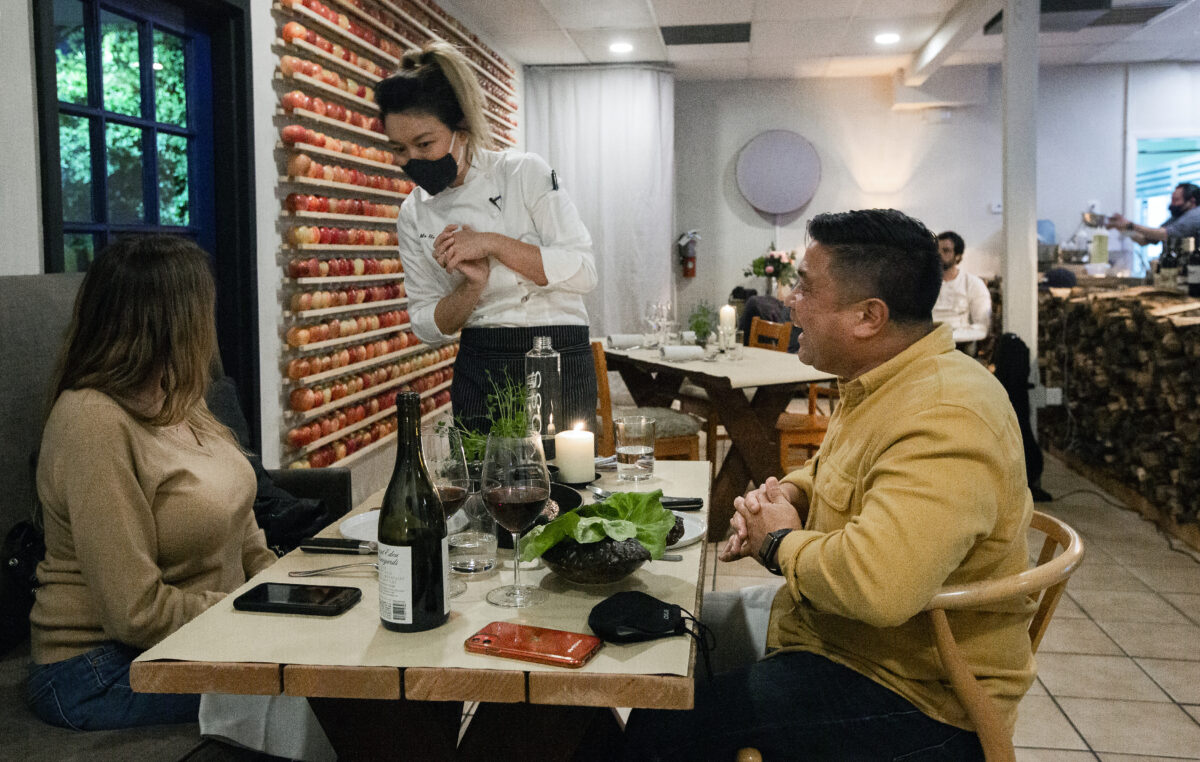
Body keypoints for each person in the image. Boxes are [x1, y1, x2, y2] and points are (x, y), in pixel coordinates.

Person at [623, 209, 1035, 760]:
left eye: (805, 287)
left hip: (917, 696)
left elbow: (877, 584)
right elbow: (829, 470)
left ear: (868, 316)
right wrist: (789, 494)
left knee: (663, 720)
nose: (790, 301)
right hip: (836, 637)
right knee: (657, 633)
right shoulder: (883, 379)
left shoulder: (947, 413)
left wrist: (778, 542)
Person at [27, 235, 278, 730]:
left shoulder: (180, 397)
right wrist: (249, 614)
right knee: (309, 694)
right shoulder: (91, 421)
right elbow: (134, 612)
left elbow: (242, 521)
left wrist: (282, 592)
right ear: (173, 324)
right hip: (98, 667)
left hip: (193, 634)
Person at [378, 42, 598, 434]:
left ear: (461, 128)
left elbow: (583, 272)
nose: (411, 159)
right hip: (480, 360)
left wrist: (493, 243)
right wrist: (471, 286)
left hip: (558, 348)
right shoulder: (413, 212)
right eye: (399, 148)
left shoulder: (524, 173)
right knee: (475, 473)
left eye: (424, 144)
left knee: (563, 473)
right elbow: (427, 324)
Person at [933, 230, 992, 336]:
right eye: (936, 250)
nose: (939, 254)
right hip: (931, 339)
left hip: (961, 340)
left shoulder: (973, 283)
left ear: (958, 256)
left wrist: (951, 337)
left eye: (946, 251)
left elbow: (982, 326)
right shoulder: (924, 283)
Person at [1106, 182, 1200, 244]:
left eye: (1176, 200)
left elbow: (1163, 234)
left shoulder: (1196, 215)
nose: (1172, 204)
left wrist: (1130, 225)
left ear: (1192, 201)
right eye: (1172, 199)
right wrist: (1121, 227)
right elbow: (1143, 240)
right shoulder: (1177, 217)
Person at [738, 277, 800, 353]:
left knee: (753, 303)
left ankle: (742, 348)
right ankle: (742, 346)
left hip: (790, 322)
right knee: (753, 302)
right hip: (785, 310)